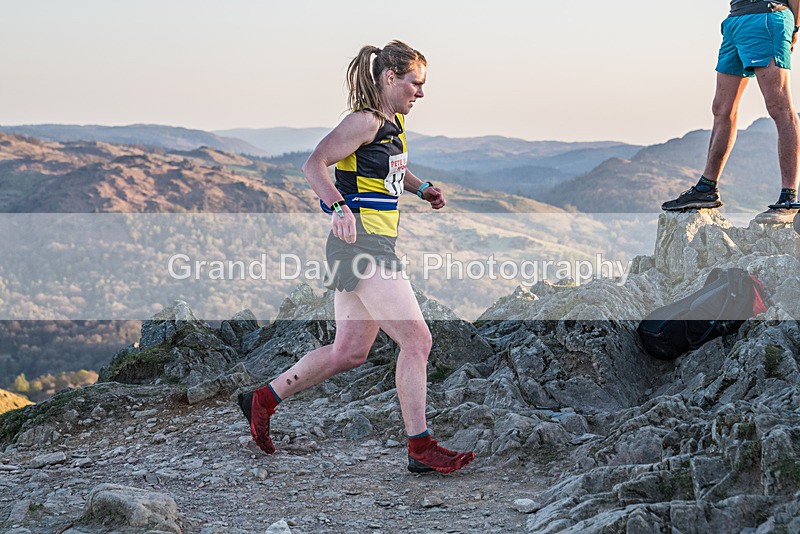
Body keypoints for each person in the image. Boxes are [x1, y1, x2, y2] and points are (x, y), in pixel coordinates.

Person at [238, 40, 475, 474]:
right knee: (418, 342)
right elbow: (314, 164)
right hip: (361, 245)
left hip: (371, 244)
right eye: (415, 83)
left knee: (348, 352)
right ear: (390, 78)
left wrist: (421, 189)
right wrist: (337, 207)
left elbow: (389, 172)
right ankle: (420, 448)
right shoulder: (363, 121)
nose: (420, 93)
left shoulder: (394, 123)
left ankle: (263, 398)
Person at [662, 0, 800, 224]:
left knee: (779, 107)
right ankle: (707, 188)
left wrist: (794, 27)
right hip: (735, 21)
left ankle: (789, 198)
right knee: (721, 108)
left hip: (768, 16)